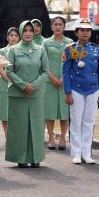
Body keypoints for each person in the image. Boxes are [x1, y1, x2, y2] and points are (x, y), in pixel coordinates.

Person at [62, 18, 99, 164]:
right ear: (76, 32)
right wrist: (67, 92)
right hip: (76, 89)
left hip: (93, 89)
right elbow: (66, 73)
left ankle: (86, 153)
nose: (85, 33)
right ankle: (76, 153)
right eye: (82, 30)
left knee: (89, 122)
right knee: (76, 121)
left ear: (91, 32)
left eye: (88, 30)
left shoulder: (97, 49)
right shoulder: (70, 49)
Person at [5, 20, 49, 168]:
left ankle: (36, 157)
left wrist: (34, 85)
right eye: (25, 30)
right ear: (21, 32)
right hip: (18, 94)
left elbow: (45, 71)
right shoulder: (13, 50)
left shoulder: (41, 50)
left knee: (36, 126)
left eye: (31, 30)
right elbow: (8, 71)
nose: (29, 33)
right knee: (20, 127)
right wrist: (23, 85)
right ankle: (20, 157)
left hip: (36, 94)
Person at [42, 16, 72, 150]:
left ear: (64, 27)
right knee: (50, 112)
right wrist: (53, 78)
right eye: (56, 24)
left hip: (65, 82)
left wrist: (63, 78)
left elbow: (71, 63)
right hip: (50, 82)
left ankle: (63, 138)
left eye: (60, 24)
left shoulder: (70, 42)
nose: (58, 26)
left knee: (64, 112)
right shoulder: (46, 43)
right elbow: (43, 63)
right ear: (52, 27)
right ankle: (51, 138)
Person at [0, 27, 20, 138]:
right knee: (5, 114)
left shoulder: (21, 51)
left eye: (16, 35)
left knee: (17, 114)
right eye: (11, 35)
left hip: (19, 86)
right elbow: (0, 69)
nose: (13, 38)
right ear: (7, 37)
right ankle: (7, 136)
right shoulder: (1, 51)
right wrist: (11, 80)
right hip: (5, 85)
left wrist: (18, 82)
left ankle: (16, 136)